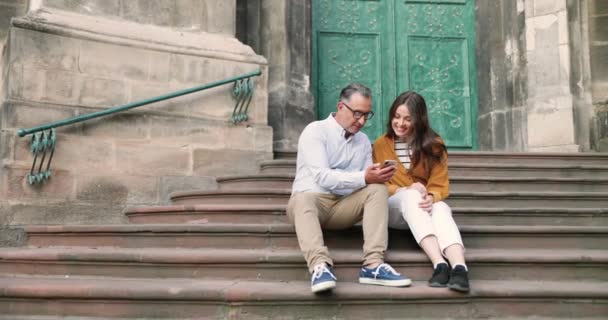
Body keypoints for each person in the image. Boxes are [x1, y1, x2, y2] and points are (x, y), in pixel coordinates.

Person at [287, 83, 411, 293]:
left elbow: (364, 181)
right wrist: (363, 176)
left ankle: (373, 266)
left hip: (343, 207)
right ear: (340, 107)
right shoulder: (315, 131)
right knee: (302, 198)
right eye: (357, 114)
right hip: (311, 205)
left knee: (378, 189)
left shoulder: (362, 141)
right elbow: (322, 177)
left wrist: (376, 176)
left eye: (366, 115)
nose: (362, 121)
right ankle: (319, 266)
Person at [372, 91, 470, 292]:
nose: (400, 123)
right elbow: (376, 184)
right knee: (410, 195)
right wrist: (405, 188)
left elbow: (440, 183)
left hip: (422, 209)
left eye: (408, 119)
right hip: (393, 209)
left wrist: (431, 196)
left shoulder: (434, 144)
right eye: (396, 117)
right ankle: (438, 261)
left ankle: (458, 268)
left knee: (441, 207)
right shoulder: (381, 144)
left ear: (419, 119)